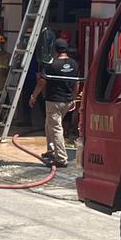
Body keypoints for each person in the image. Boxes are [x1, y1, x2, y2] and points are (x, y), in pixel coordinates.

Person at [30, 38, 78, 168]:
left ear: (55, 50)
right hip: (67, 101)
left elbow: (42, 82)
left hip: (54, 101)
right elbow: (76, 83)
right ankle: (51, 151)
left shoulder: (52, 65)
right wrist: (74, 98)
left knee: (56, 128)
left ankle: (61, 158)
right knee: (49, 124)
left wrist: (34, 96)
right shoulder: (74, 64)